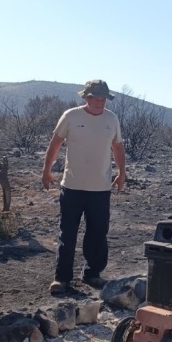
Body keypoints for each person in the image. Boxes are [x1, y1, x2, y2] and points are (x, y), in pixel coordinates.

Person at [42, 79, 126, 294]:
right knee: (67, 233)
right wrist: (46, 171)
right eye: (95, 98)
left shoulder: (111, 119)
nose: (99, 102)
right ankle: (62, 278)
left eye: (102, 99)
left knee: (98, 232)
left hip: (100, 188)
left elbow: (117, 147)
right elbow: (55, 143)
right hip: (72, 186)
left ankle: (93, 273)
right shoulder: (71, 116)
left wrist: (122, 173)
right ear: (86, 98)